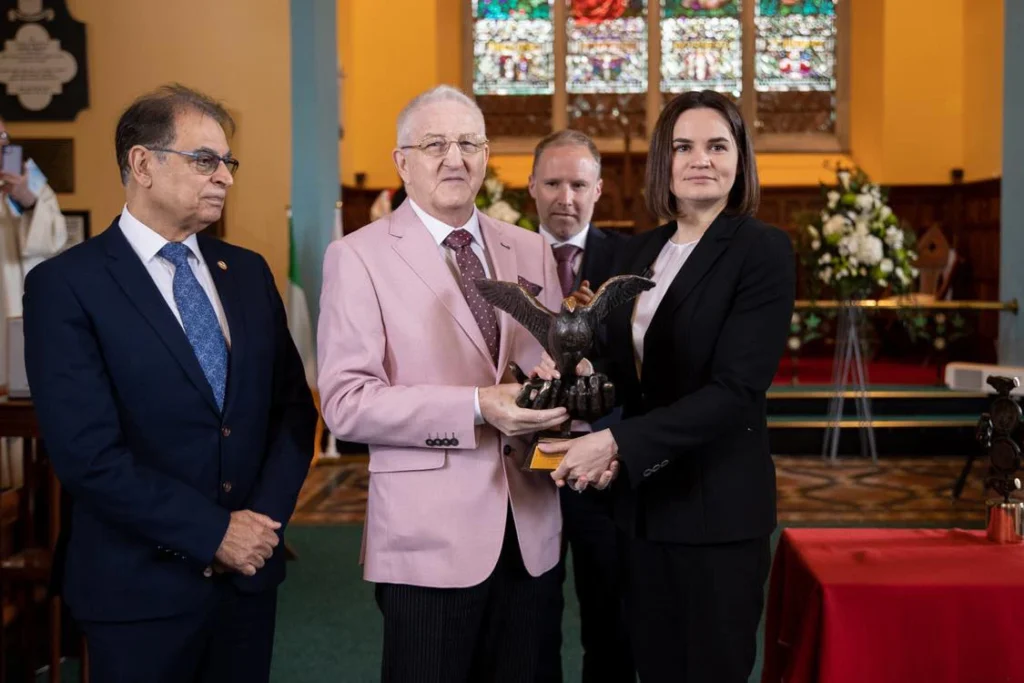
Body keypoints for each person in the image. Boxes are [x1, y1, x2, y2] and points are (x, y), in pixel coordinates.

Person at [22, 84, 317, 682]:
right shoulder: (67, 285)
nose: (225, 177)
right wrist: (214, 533)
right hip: (138, 592)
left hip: (246, 583)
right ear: (142, 164)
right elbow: (87, 455)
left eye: (227, 162)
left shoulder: (247, 272)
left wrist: (260, 526)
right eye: (205, 160)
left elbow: (291, 412)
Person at [317, 85, 612, 683]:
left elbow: (544, 372)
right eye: (435, 144)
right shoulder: (358, 256)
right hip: (428, 539)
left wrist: (576, 396)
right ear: (402, 161)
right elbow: (346, 404)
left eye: (468, 143)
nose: (454, 158)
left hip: (529, 530)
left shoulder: (528, 247)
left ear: (485, 156)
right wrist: (477, 406)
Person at [538, 90, 796, 683]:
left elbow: (736, 391)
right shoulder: (640, 250)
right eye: (684, 146)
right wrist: (578, 376)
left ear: (740, 159)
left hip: (715, 510)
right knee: (649, 666)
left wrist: (616, 443)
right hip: (641, 506)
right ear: (664, 160)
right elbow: (618, 370)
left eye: (717, 146)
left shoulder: (761, 250)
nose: (700, 159)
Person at [527, 129, 633, 683]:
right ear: (531, 186)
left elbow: (644, 365)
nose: (564, 198)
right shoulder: (505, 254)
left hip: (603, 469)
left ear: (598, 189)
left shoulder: (632, 258)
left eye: (577, 184)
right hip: (524, 470)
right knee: (529, 624)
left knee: (610, 622)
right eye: (552, 183)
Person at [0, 119, 67, 490]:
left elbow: (52, 238)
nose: (1, 142)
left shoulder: (26, 175)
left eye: (3, 136)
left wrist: (27, 199)